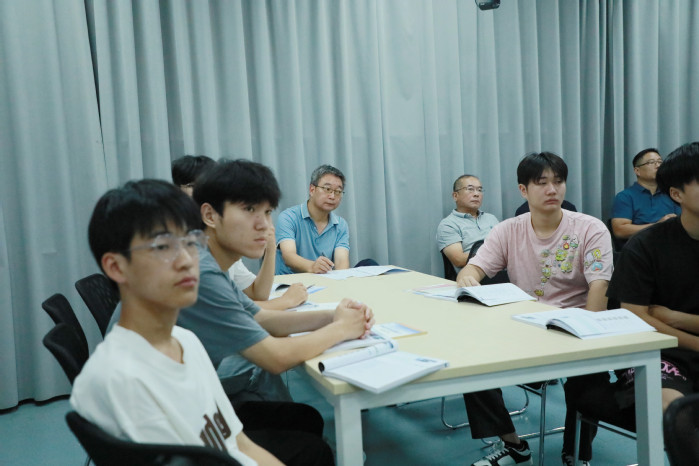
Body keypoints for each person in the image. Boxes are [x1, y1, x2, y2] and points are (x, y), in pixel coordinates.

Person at [70, 179, 281, 465]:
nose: (187, 261)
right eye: (162, 246)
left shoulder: (186, 341)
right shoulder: (117, 380)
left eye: (191, 243)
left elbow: (238, 442)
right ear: (116, 267)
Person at [456, 152, 613, 466]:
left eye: (558, 181)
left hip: (575, 328)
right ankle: (513, 444)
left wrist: (589, 334)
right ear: (523, 190)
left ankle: (575, 454)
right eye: (541, 183)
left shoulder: (590, 229)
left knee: (590, 378)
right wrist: (468, 280)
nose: (552, 189)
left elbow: (600, 287)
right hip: (524, 326)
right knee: (468, 361)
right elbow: (471, 270)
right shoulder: (508, 230)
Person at [606, 141, 699, 423]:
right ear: (676, 194)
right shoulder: (646, 245)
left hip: (677, 330)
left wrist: (675, 317)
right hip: (659, 351)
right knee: (676, 413)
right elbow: (635, 316)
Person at [172, 155, 307, 310]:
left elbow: (254, 296)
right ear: (210, 214)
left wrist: (270, 248)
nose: (263, 224)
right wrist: (286, 301)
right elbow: (237, 311)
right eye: (249, 209)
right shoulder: (194, 261)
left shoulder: (225, 250)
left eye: (267, 212)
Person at [275, 164, 351, 274]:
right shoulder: (288, 217)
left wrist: (342, 278)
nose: (332, 196)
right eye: (327, 189)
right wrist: (312, 266)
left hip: (323, 282)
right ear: (312, 190)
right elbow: (289, 256)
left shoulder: (341, 225)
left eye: (338, 191)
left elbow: (341, 263)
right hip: (289, 282)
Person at [611, 148, 681, 241]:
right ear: (637, 171)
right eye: (651, 162)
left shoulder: (671, 193)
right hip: (640, 246)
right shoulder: (625, 196)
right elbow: (620, 231)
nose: (658, 166)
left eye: (660, 162)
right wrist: (658, 226)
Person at [436, 174, 499, 273]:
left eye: (479, 190)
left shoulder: (491, 219)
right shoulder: (448, 225)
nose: (476, 194)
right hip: (474, 275)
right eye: (470, 189)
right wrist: (495, 255)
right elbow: (459, 260)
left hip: (503, 270)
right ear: (455, 196)